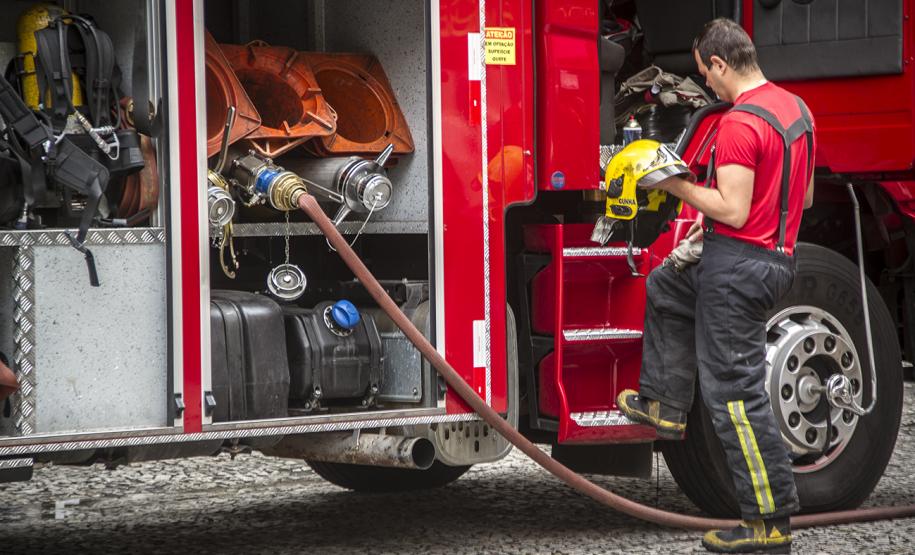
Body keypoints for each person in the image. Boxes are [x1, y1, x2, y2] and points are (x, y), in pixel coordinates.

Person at [616, 18, 816, 554]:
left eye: (707, 75)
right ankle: (664, 402)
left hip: (736, 271)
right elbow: (805, 196)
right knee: (668, 286)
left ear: (721, 64)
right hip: (773, 259)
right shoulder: (797, 111)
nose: (708, 87)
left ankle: (767, 521)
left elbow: (732, 206)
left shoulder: (738, 123)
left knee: (735, 399)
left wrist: (673, 182)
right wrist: (726, 221)